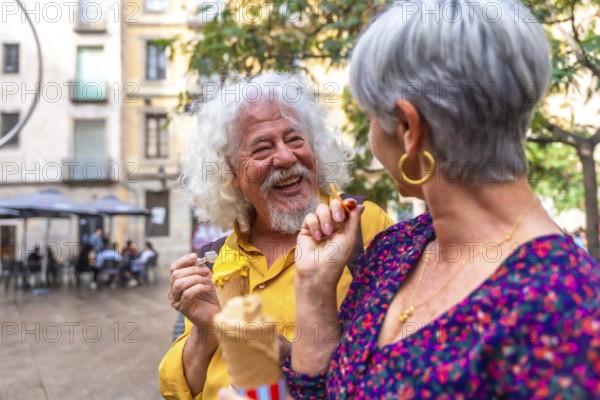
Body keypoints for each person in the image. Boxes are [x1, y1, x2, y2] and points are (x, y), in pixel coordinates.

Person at [220, 1, 600, 398]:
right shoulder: (394, 250)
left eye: (369, 117)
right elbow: (319, 390)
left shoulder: (566, 309)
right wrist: (314, 288)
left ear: (408, 129)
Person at [159, 72, 395, 400]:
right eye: (262, 148)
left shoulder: (360, 226)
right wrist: (206, 329)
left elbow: (396, 360)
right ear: (232, 175)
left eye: (295, 139)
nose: (285, 157)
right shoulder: (216, 259)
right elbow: (183, 390)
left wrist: (282, 355)